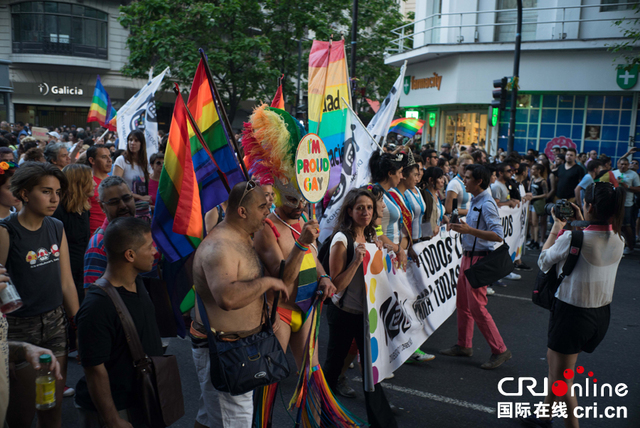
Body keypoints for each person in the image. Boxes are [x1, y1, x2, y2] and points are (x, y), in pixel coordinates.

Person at [525, 182, 625, 428]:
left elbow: (543, 260)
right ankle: (545, 415)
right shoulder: (618, 238)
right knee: (555, 362)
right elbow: (591, 238)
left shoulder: (573, 237)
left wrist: (557, 227)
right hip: (599, 315)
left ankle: (572, 425)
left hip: (572, 314)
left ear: (588, 206)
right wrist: (581, 222)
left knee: (562, 380)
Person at [192, 181, 289, 428]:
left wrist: (264, 313)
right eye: (262, 207)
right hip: (226, 352)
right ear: (242, 212)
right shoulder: (220, 246)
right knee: (232, 421)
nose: (268, 212)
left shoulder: (242, 236)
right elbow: (228, 298)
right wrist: (267, 282)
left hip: (236, 350)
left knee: (210, 418)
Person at [0, 162, 79, 428]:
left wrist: (78, 321)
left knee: (51, 407)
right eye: (46, 191)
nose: (55, 198)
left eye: (57, 191)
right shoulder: (5, 231)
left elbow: (66, 282)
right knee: (21, 414)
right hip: (19, 329)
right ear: (23, 193)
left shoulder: (56, 226)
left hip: (56, 324)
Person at [75, 217, 163, 428]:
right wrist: (112, 419)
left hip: (140, 400)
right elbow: (94, 370)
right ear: (130, 255)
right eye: (149, 246)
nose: (155, 251)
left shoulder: (138, 282)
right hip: (117, 409)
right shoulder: (97, 306)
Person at [323, 188, 397, 428]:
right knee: (333, 368)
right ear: (349, 211)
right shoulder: (341, 239)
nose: (366, 212)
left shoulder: (372, 236)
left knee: (372, 371)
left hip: (367, 316)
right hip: (343, 314)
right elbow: (335, 285)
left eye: (369, 208)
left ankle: (382, 422)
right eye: (360, 208)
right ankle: (322, 415)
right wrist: (356, 261)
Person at [439, 164, 512, 369]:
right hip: (468, 258)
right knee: (463, 304)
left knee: (477, 307)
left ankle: (500, 350)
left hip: (479, 260)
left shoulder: (487, 203)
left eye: (468, 177)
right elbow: (475, 228)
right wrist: (463, 226)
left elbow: (498, 234)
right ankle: (464, 345)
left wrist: (469, 229)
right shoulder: (477, 200)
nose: (464, 181)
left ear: (479, 181)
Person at [83, 176, 159, 291]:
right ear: (102, 206)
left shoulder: (144, 230)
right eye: (114, 202)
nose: (123, 206)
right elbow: (92, 293)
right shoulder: (98, 245)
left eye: (127, 198)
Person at [53, 164, 95, 305]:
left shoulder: (84, 209)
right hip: (66, 278)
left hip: (82, 273)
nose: (95, 183)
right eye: (90, 179)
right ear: (79, 183)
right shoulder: (58, 212)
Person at [368, 151, 408, 269]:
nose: (402, 176)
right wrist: (398, 249)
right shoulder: (376, 194)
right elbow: (377, 232)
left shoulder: (388, 193)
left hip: (391, 252)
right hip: (385, 254)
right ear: (390, 173)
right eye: (400, 172)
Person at [113, 130, 151, 221]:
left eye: (136, 140)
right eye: (130, 140)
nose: (132, 143)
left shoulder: (146, 163)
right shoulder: (121, 160)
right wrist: (140, 197)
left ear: (142, 144)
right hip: (126, 209)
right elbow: (115, 186)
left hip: (143, 210)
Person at [612, 157, 640, 255]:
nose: (623, 166)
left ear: (628, 165)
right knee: (615, 225)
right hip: (614, 203)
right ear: (618, 164)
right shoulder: (613, 173)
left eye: (625, 164)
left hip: (627, 204)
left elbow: (638, 188)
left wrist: (626, 186)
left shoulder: (633, 175)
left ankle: (630, 246)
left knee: (626, 226)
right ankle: (616, 245)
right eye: (621, 164)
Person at [86, 144, 113, 234]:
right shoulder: (86, 183)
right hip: (94, 236)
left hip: (114, 234)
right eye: (104, 157)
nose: (109, 160)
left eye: (109, 156)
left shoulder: (114, 181)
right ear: (92, 160)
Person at [528, 163, 551, 250]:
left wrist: (534, 197)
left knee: (535, 222)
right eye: (532, 169)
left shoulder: (543, 181)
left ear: (539, 171)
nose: (532, 171)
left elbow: (546, 194)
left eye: (534, 169)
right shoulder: (533, 179)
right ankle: (533, 239)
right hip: (531, 202)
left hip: (537, 203)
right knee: (531, 223)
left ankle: (536, 241)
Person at [421, 166, 447, 239]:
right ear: (431, 180)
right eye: (440, 178)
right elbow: (424, 218)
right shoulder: (425, 196)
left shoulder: (436, 195)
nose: (443, 181)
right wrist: (428, 235)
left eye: (443, 178)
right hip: (429, 238)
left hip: (438, 237)